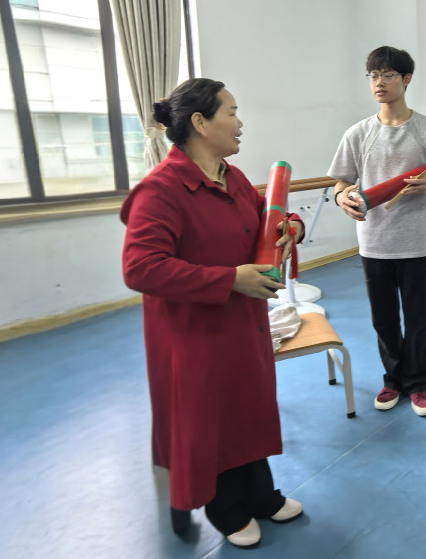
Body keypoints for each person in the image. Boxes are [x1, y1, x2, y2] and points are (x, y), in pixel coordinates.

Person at [120, 78, 305, 548]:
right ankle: (226, 510)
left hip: (242, 324)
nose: (240, 123)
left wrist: (292, 227)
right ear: (200, 123)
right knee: (212, 420)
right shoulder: (161, 191)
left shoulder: (231, 176)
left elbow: (268, 214)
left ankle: (261, 495)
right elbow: (140, 268)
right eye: (232, 113)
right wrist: (229, 280)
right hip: (195, 335)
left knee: (247, 410)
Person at [328, 46, 426, 417]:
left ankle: (417, 383)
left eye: (387, 75)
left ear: (406, 79)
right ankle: (393, 380)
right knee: (383, 320)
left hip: (415, 241)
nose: (378, 83)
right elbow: (341, 182)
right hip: (374, 242)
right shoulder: (358, 133)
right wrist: (341, 198)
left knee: (417, 319)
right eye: (373, 75)